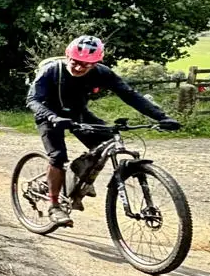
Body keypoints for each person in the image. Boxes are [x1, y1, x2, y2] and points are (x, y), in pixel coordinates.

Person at [26, 35, 181, 226]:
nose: (79, 67)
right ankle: (54, 205)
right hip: (49, 115)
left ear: (96, 63)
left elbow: (130, 95)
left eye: (87, 64)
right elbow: (32, 100)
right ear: (68, 56)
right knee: (57, 156)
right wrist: (53, 117)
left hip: (77, 113)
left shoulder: (102, 73)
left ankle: (80, 178)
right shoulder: (52, 70)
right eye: (76, 62)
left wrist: (161, 117)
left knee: (107, 142)